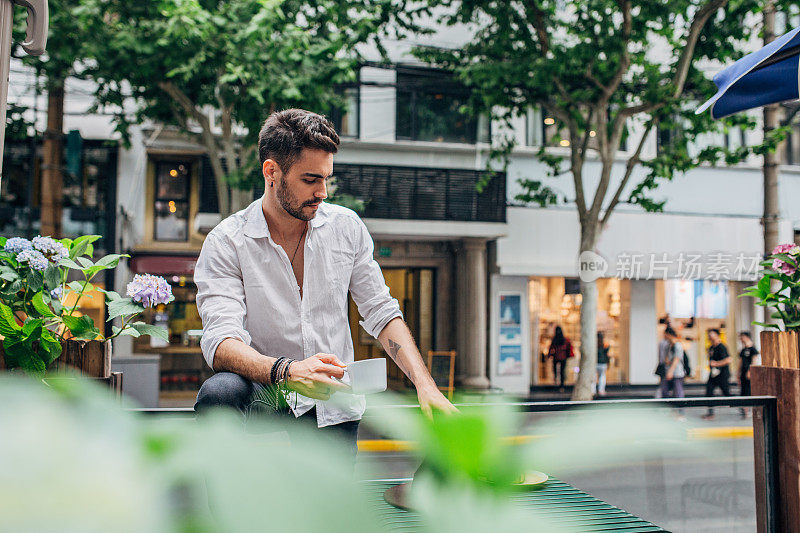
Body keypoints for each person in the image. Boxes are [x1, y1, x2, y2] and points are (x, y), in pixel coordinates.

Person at [193, 109, 456, 462]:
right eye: (310, 179)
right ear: (272, 172)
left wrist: (426, 386)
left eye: (327, 179)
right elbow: (221, 342)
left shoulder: (346, 228)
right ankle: (226, 507)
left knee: (329, 512)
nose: (323, 192)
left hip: (331, 398)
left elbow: (380, 311)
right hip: (268, 389)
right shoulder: (227, 241)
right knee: (220, 391)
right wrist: (287, 371)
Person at [702, 328, 732, 420]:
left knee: (726, 393)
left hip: (722, 374)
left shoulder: (722, 347)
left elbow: (729, 360)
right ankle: (710, 413)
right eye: (709, 334)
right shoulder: (711, 348)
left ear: (717, 335)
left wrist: (716, 363)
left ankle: (743, 408)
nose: (710, 336)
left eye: (712, 334)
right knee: (709, 392)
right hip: (713, 375)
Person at [738, 331, 761, 419]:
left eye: (741, 337)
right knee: (743, 391)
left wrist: (750, 371)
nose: (740, 339)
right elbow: (740, 362)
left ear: (746, 337)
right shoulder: (743, 350)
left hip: (748, 373)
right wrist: (738, 372)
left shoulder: (753, 349)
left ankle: (749, 410)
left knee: (748, 390)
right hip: (743, 373)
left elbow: (754, 361)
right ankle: (745, 410)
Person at [659, 327, 686, 400]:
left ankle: (680, 409)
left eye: (665, 335)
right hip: (668, 371)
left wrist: (670, 371)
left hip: (677, 373)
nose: (664, 336)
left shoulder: (677, 345)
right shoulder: (668, 345)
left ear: (669, 334)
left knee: (678, 392)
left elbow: (677, 359)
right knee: (664, 391)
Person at [547, 325, 574, 392]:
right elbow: (568, 348)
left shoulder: (554, 339)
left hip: (556, 357)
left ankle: (556, 383)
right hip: (563, 357)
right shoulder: (565, 339)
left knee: (555, 371)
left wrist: (549, 355)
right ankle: (561, 386)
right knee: (562, 371)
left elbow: (551, 348)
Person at [655, 328, 671, 398]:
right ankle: (664, 395)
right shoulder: (667, 343)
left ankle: (663, 395)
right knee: (664, 383)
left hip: (663, 364)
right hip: (665, 365)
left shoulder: (662, 343)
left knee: (663, 383)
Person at [595, 331, 610, 397]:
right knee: (602, 376)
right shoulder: (604, 345)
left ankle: (593, 391)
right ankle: (601, 390)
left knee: (594, 377)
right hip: (602, 363)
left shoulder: (594, 346)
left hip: (595, 363)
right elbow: (607, 353)